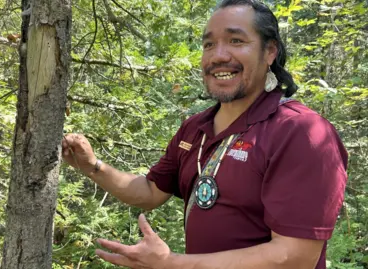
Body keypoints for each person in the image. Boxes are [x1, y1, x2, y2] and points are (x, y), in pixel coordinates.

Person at [61, 0, 348, 268]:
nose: (219, 55)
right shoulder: (195, 128)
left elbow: (295, 257)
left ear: (270, 51)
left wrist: (171, 263)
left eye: (236, 41)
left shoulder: (300, 132)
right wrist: (93, 167)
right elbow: (149, 192)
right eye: (209, 44)